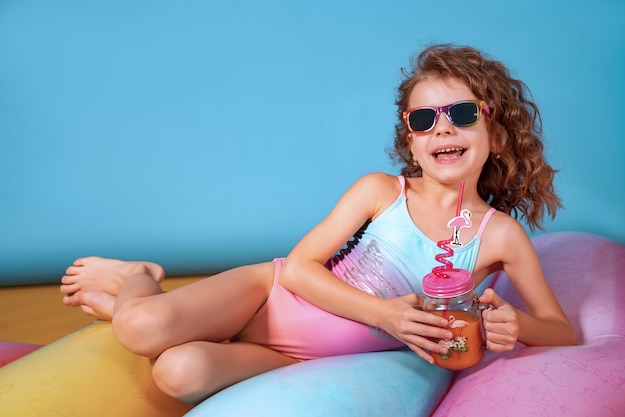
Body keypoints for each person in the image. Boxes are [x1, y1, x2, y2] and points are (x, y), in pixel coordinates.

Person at [60, 44, 576, 405]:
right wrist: (386, 316)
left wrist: (517, 324)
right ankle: (138, 279)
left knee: (178, 373)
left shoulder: (500, 236)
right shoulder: (380, 191)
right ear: (413, 141)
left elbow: (559, 331)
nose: (442, 127)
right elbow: (301, 269)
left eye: (462, 113)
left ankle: (154, 310)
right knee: (138, 326)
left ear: (498, 133)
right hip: (269, 295)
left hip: (295, 357)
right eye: (424, 120)